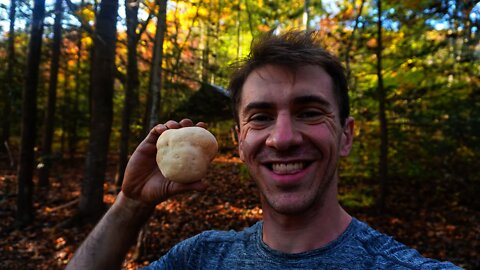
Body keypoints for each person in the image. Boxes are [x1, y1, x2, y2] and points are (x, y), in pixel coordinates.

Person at [66, 30, 461, 270]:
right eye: (260, 117)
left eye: (309, 112)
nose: (283, 138)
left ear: (346, 136)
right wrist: (130, 203)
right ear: (239, 141)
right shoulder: (198, 260)